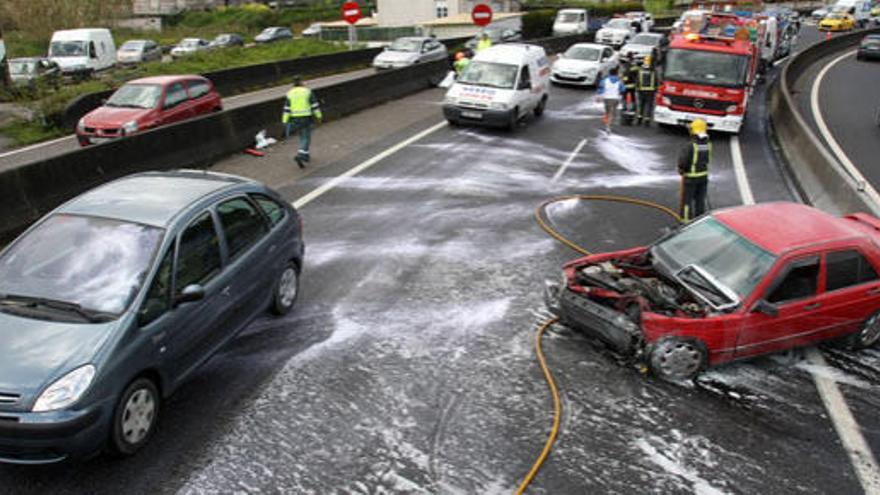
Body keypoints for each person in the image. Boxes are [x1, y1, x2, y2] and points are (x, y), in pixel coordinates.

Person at [282, 75, 322, 169]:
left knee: (302, 136)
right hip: (306, 117)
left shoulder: (289, 93)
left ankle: (306, 155)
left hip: (294, 118)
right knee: (306, 137)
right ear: (301, 82)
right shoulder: (307, 92)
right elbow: (314, 105)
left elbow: (287, 109)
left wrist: (284, 120)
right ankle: (301, 155)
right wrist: (319, 116)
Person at [678, 119, 712, 222]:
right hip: (703, 177)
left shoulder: (691, 145)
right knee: (700, 201)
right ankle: (698, 221)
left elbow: (684, 161)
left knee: (687, 201)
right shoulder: (708, 144)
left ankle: (685, 222)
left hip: (690, 178)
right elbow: (708, 159)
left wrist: (681, 169)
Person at [596, 67, 626, 132]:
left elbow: (600, 88)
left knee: (607, 112)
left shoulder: (605, 80)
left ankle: (606, 124)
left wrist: (598, 96)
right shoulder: (619, 81)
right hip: (615, 98)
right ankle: (608, 126)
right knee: (612, 113)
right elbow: (623, 89)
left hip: (606, 98)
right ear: (616, 73)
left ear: (609, 73)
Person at [636, 55, 658, 125]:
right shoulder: (653, 71)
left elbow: (638, 80)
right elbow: (656, 81)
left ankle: (639, 118)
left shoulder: (640, 70)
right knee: (649, 105)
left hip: (641, 90)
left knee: (641, 105)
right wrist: (655, 89)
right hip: (650, 91)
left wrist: (637, 88)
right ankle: (647, 120)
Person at [622, 54, 639, 120]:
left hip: (626, 84)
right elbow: (636, 74)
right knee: (632, 96)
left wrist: (624, 80)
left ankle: (625, 107)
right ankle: (634, 107)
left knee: (625, 96)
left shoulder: (626, 65)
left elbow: (625, 74)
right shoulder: (634, 65)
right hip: (632, 84)